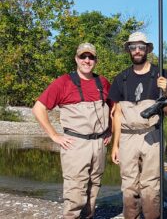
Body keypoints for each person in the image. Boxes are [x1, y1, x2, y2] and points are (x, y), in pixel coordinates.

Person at [32, 42, 112, 218]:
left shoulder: (103, 82)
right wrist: (54, 135)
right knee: (75, 191)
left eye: (90, 57)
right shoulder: (63, 82)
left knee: (94, 188)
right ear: (76, 59)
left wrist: (110, 131)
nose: (87, 60)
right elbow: (38, 108)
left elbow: (114, 108)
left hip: (99, 144)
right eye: (83, 56)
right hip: (76, 144)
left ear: (95, 60)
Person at [108, 31, 167, 219]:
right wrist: (116, 145)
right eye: (133, 47)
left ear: (147, 50)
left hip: (152, 135)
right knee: (129, 183)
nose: (137, 51)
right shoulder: (121, 78)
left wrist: (165, 91)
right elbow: (117, 114)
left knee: (151, 183)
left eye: (141, 47)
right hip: (128, 137)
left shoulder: (161, 74)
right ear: (129, 51)